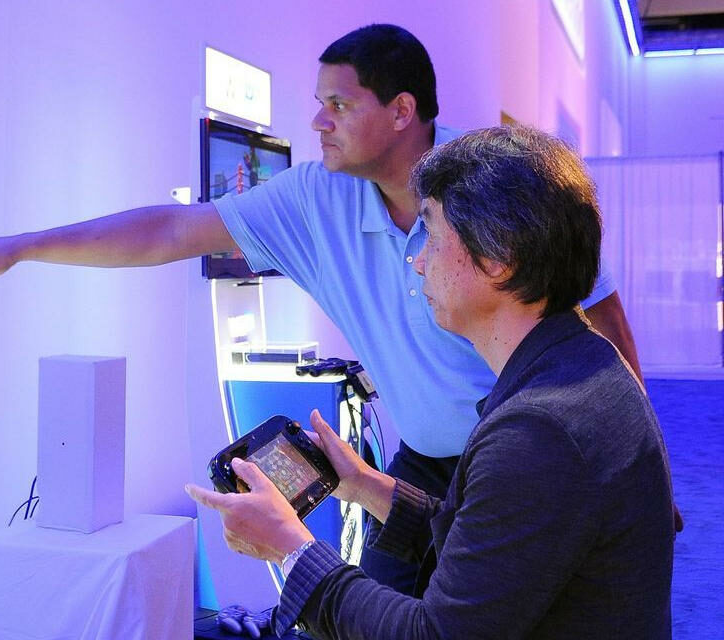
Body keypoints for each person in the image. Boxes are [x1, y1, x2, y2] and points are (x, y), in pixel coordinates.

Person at [0, 24, 652, 591]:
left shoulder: (493, 180)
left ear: (401, 111)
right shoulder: (315, 197)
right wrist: (18, 248)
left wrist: (638, 462)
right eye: (318, 104)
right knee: (381, 612)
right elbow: (171, 230)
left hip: (524, 453)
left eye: (338, 104)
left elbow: (602, 317)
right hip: (422, 462)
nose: (319, 122)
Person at [186, 125, 675, 639]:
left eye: (433, 238)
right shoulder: (579, 362)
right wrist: (365, 485)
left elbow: (435, 634)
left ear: (498, 258)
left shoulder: (538, 432)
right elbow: (490, 553)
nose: (418, 263)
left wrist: (291, 550)